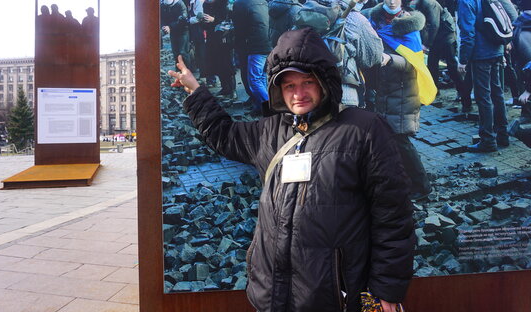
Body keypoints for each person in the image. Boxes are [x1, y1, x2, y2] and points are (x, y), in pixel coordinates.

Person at [168, 28, 415, 312]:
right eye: (289, 86)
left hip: (333, 293)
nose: (298, 93)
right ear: (277, 89)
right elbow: (224, 135)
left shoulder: (364, 129)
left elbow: (393, 216)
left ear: (325, 81)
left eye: (307, 82)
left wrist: (386, 290)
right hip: (274, 292)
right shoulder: (269, 132)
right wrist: (195, 91)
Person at [367, 0, 432, 199]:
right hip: (385, 88)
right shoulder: (374, 20)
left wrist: (390, 59)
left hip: (404, 89)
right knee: (391, 136)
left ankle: (422, 185)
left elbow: (415, 62)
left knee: (400, 137)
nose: (392, 0)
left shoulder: (409, 24)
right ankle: (404, 180)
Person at [457, 0, 508, 152]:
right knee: (497, 94)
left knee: (483, 97)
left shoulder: (466, 1)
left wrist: (463, 59)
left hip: (480, 54)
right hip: (496, 49)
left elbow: (468, 32)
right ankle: (503, 135)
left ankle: (488, 140)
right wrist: (502, 48)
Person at [232, 0, 272, 115]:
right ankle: (260, 107)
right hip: (268, 42)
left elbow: (239, 28)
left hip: (255, 46)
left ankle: (269, 108)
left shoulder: (240, 4)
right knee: (262, 77)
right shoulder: (262, 1)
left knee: (254, 80)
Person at [161, 0, 191, 69]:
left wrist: (170, 27)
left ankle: (187, 73)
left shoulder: (180, 4)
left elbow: (182, 19)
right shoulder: (163, 5)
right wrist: (164, 26)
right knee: (176, 53)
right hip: (173, 32)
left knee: (183, 52)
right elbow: (162, 18)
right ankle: (179, 73)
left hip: (183, 31)